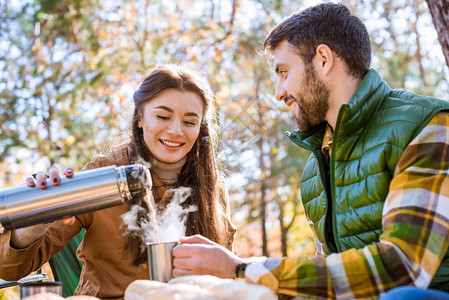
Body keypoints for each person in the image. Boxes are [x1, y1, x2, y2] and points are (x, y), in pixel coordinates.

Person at [171, 2, 449, 299]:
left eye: (284, 72)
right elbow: (328, 280)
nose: (278, 92)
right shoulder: (314, 172)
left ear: (323, 60)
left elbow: (402, 268)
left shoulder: (428, 126)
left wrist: (240, 269)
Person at [0, 64, 236, 299]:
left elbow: (227, 277)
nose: (175, 131)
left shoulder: (212, 190)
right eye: (163, 116)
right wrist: (33, 223)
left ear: (200, 128)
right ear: (140, 118)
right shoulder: (104, 175)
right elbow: (12, 269)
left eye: (189, 122)